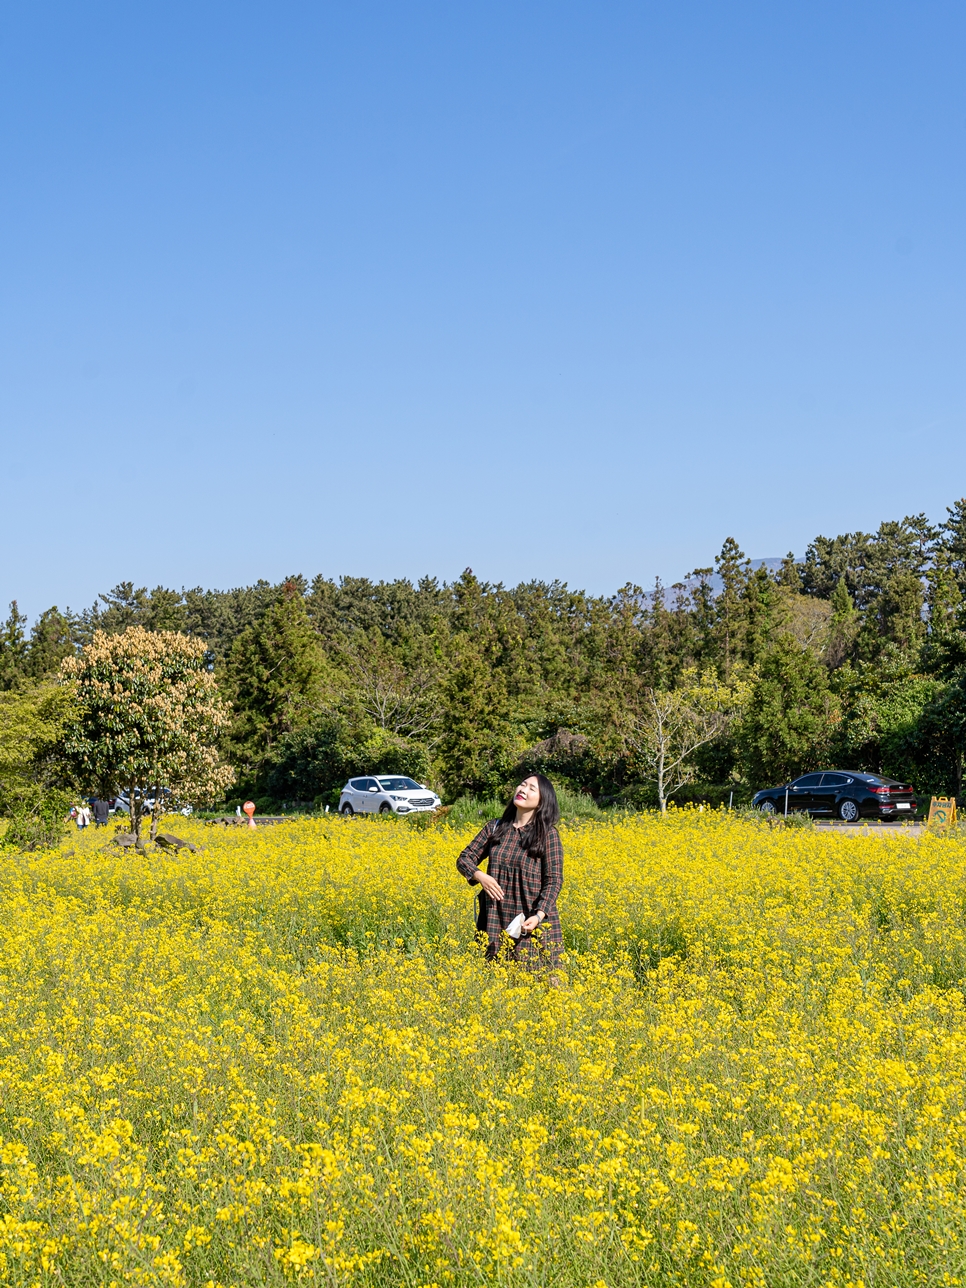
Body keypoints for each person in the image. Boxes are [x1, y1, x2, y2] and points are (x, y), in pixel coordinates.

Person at [456, 773, 563, 972]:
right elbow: (464, 858)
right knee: (497, 982)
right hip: (496, 920)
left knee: (543, 984)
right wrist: (480, 876)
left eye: (532, 788)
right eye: (522, 784)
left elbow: (554, 879)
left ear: (542, 802)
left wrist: (539, 915)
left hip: (531, 922)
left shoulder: (547, 834)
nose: (523, 790)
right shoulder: (495, 828)